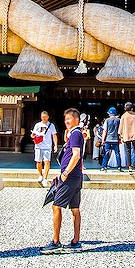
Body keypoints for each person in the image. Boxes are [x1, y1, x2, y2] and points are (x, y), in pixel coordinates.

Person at [41, 108, 85, 254]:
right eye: (65, 119)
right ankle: (75, 240)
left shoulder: (76, 134)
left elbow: (76, 154)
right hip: (76, 175)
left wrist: (65, 172)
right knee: (75, 208)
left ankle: (55, 241)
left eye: (69, 119)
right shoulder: (74, 134)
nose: (67, 121)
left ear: (77, 120)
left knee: (56, 206)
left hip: (70, 176)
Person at [30, 111, 57, 188]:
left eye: (45, 117)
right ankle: (40, 175)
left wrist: (55, 145)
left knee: (47, 162)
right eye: (42, 117)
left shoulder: (51, 125)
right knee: (38, 162)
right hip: (38, 145)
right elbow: (33, 135)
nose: (44, 119)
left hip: (47, 146)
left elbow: (54, 135)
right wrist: (33, 135)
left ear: (48, 117)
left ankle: (45, 178)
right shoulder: (37, 125)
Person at [119, 102, 135, 170]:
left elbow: (121, 127)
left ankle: (129, 166)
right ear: (132, 108)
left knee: (128, 151)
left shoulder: (123, 116)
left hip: (126, 135)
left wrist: (121, 136)